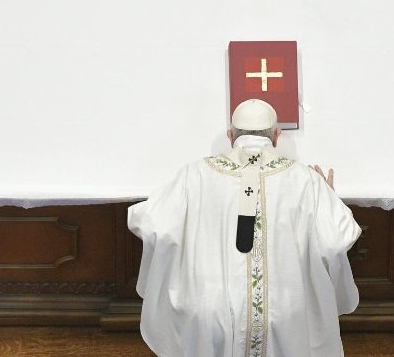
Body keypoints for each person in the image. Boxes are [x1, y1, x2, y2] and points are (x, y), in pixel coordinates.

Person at [128, 98, 362, 357]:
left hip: (207, 310)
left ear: (230, 136)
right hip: (284, 310)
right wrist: (328, 199)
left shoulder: (193, 175)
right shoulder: (306, 181)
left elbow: (150, 224)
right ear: (277, 135)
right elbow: (336, 239)